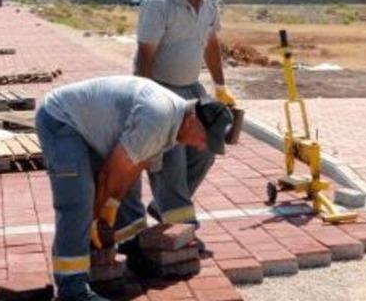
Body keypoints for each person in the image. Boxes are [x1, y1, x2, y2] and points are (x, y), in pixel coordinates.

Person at [35, 76, 232, 301]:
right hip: (60, 120)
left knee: (119, 191)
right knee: (79, 202)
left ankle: (128, 246)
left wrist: (110, 209)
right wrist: (93, 220)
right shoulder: (159, 117)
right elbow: (109, 175)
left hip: (88, 125)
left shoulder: (173, 125)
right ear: (193, 121)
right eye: (204, 139)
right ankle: (72, 289)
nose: (200, 146)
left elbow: (132, 170)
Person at [124, 0, 236, 253]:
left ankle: (166, 208)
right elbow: (145, 55)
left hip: (191, 88)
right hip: (159, 89)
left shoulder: (211, 0)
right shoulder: (158, 4)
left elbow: (211, 44)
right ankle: (183, 231)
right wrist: (145, 104)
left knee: (209, 147)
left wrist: (221, 87)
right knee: (170, 162)